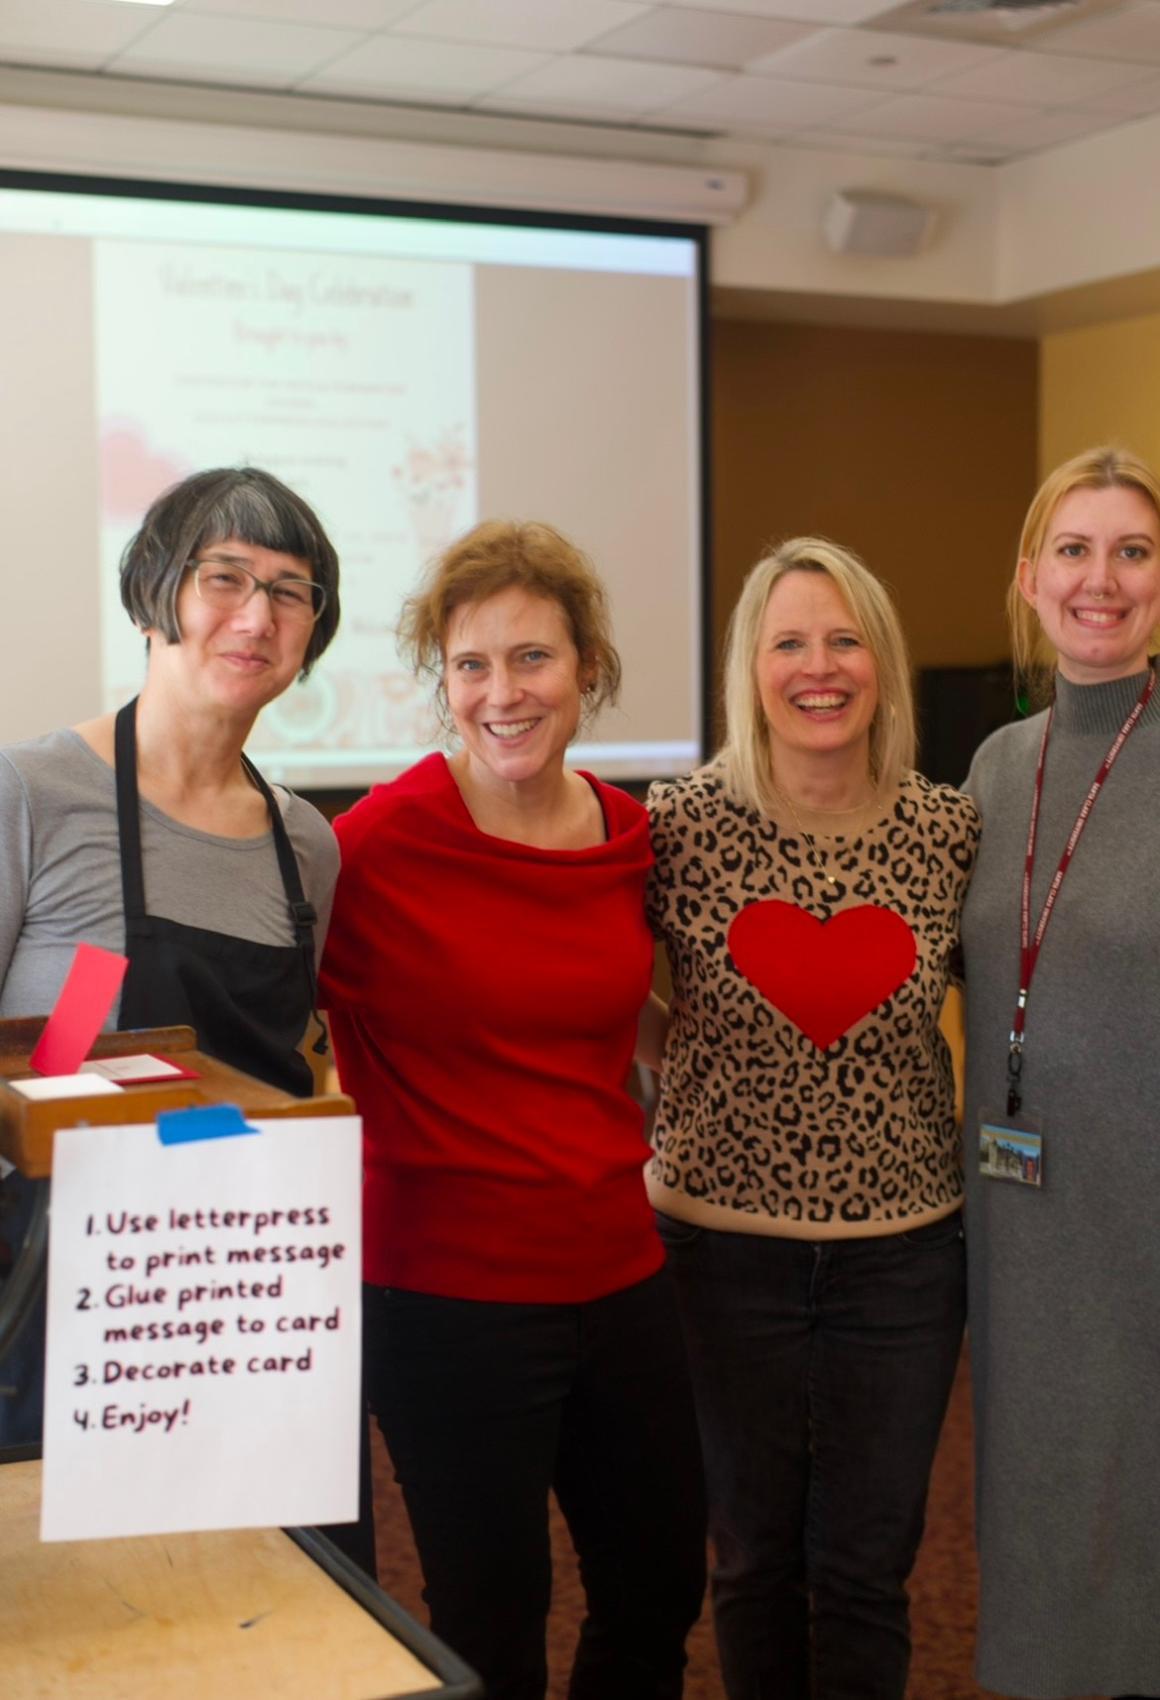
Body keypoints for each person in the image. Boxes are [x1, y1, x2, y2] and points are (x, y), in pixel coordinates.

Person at [320, 519, 706, 1700]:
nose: (502, 692)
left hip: (618, 1268)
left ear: (586, 665)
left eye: (531, 658)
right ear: (442, 680)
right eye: (472, 665)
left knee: (654, 1588)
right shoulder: (374, 846)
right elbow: (278, 1027)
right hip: (445, 1296)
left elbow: (625, 1018)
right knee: (492, 1621)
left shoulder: (629, 834)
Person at [645, 537, 979, 1700]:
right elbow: (621, 1004)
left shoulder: (948, 832)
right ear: (750, 665)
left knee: (864, 1571)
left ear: (879, 663)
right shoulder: (675, 823)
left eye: (843, 639)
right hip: (714, 1251)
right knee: (748, 1560)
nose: (817, 665)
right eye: (788, 640)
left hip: (902, 1259)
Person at [0, 465, 341, 1443]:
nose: (257, 615)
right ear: (154, 592)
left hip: (251, 1302)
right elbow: (31, 1065)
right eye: (224, 576)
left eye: (289, 591)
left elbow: (287, 1077)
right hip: (64, 1302)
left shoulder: (305, 844)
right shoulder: (31, 793)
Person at [961, 445, 1160, 1700]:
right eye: (1074, 550)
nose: (1103, 578)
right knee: (1032, 1507)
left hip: (1141, 1219)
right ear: (1029, 577)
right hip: (1018, 1219)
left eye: (1133, 551)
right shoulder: (990, 763)